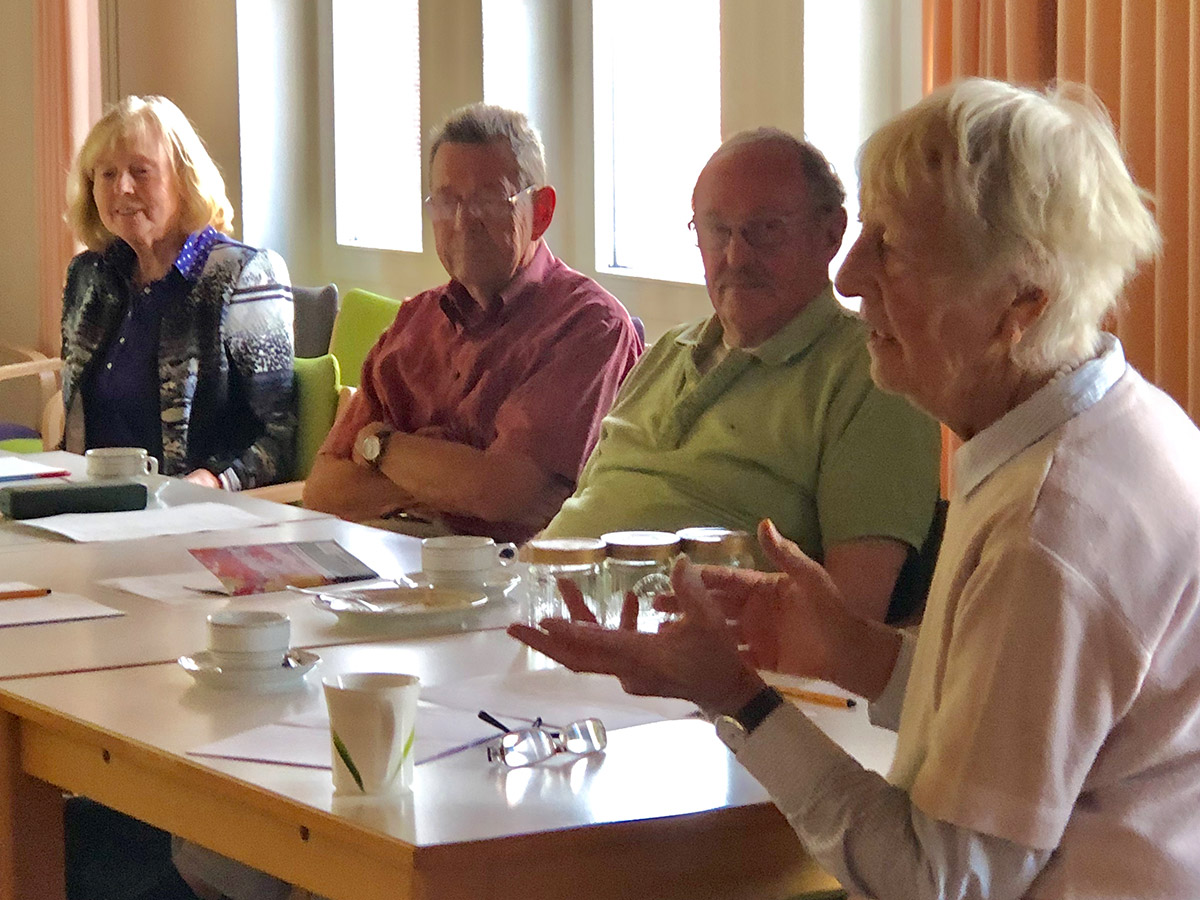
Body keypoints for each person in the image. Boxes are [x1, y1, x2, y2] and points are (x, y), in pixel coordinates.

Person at [511, 78, 1200, 899]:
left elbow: (938, 880)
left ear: (1021, 301)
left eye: (894, 247)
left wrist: (738, 701)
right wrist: (854, 650)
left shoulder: (1047, 530)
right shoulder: (1103, 421)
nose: (848, 273)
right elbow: (1027, 733)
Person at [542, 129, 940, 620]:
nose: (736, 257)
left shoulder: (872, 373)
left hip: (680, 650)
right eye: (717, 231)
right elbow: (586, 504)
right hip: (539, 609)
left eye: (766, 229)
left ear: (832, 233)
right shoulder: (668, 350)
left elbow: (848, 620)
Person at [303, 103, 642, 543]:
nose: (463, 222)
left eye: (488, 201)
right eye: (447, 202)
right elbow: (325, 489)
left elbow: (504, 494)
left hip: (509, 572)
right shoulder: (413, 323)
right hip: (388, 556)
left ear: (541, 211)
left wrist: (379, 446)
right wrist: (453, 480)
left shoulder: (588, 326)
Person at [62, 94, 294, 490]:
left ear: (184, 181)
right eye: (107, 174)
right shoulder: (88, 276)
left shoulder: (243, 274)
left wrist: (215, 481)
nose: (123, 187)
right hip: (91, 500)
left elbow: (280, 437)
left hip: (190, 509)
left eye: (141, 171)